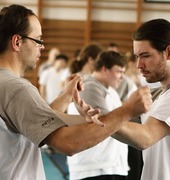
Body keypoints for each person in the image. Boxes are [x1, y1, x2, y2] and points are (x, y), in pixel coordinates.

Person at [0, 4, 152, 179]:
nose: (41, 47)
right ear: (17, 42)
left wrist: (66, 96)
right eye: (38, 40)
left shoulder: (6, 86)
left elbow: (39, 120)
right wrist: (127, 111)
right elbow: (67, 143)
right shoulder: (17, 89)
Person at [112, 18, 170, 180]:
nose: (139, 65)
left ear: (169, 53)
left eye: (145, 56)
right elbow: (128, 126)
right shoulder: (158, 94)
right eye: (136, 56)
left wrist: (100, 120)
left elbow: (146, 137)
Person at [67, 51, 128, 180]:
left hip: (108, 165)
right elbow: (105, 123)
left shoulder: (109, 90)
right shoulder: (89, 87)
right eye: (119, 72)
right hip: (94, 168)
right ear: (104, 69)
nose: (122, 77)